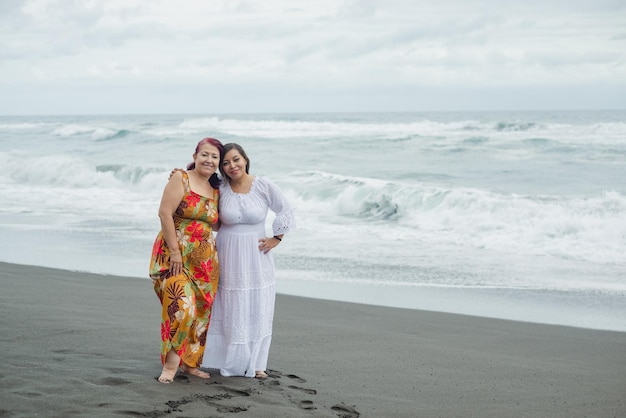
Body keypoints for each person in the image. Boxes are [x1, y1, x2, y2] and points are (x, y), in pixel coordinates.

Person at [202, 142, 296, 378]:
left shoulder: (263, 185)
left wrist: (277, 238)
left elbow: (285, 209)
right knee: (231, 305)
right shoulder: (219, 187)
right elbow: (196, 180)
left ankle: (256, 364)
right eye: (225, 162)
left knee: (257, 305)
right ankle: (229, 361)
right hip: (227, 253)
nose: (232, 165)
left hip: (256, 255)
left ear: (245, 159)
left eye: (236, 159)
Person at [149, 137, 223, 384]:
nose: (209, 160)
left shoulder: (216, 191)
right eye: (205, 154)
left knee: (200, 314)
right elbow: (164, 213)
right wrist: (175, 251)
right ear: (195, 156)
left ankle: (190, 364)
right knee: (182, 308)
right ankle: (170, 366)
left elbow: (221, 223)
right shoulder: (180, 178)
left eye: (215, 157)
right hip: (175, 258)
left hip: (205, 264)